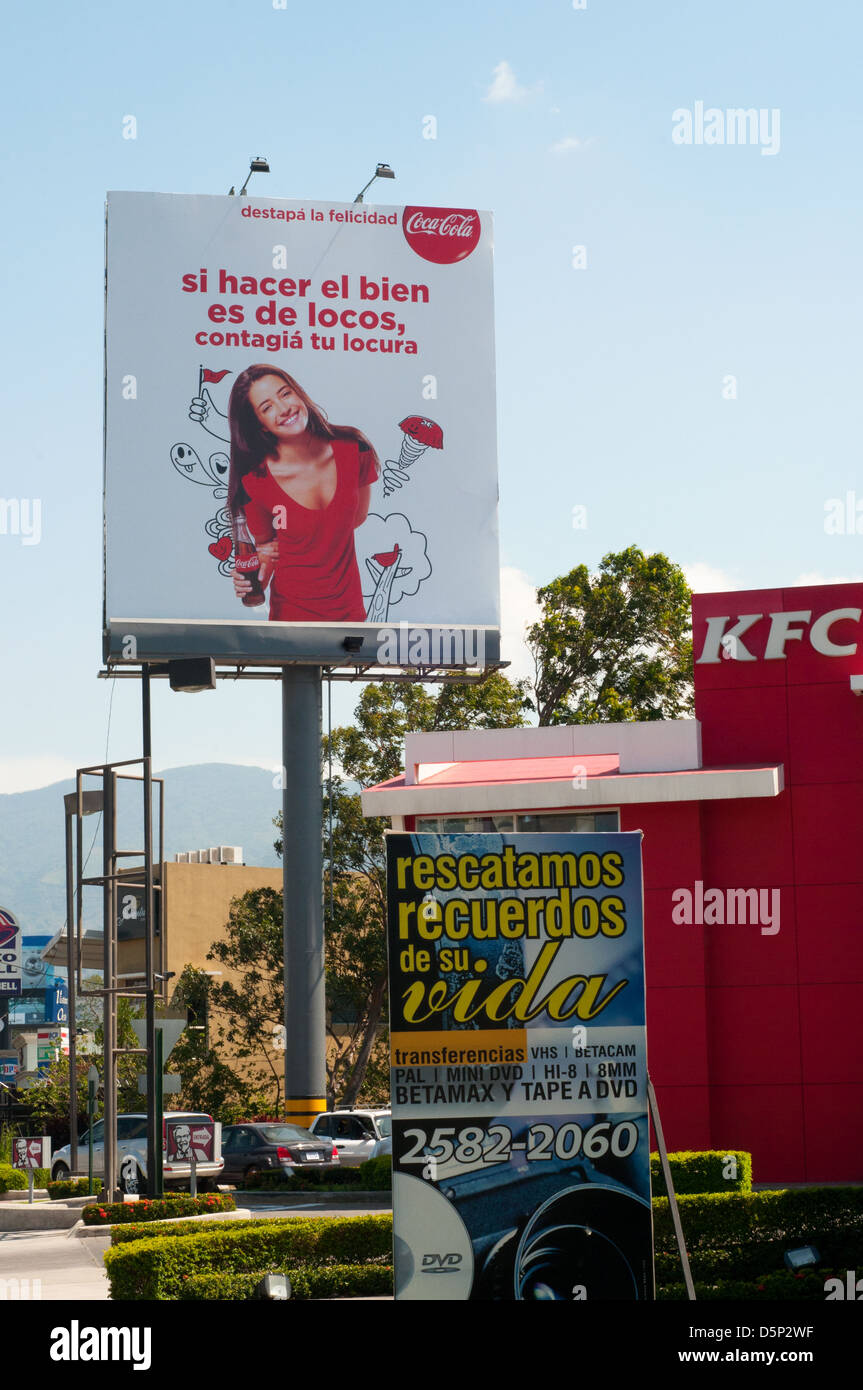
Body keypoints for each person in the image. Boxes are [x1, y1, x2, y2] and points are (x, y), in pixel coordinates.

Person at [227, 366, 380, 621]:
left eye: (285, 394)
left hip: (351, 615)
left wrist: (317, 537)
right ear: (260, 426)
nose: (284, 408)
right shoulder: (255, 481)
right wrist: (258, 577)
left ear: (299, 394)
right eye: (267, 407)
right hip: (290, 618)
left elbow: (356, 518)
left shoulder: (355, 449)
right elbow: (267, 547)